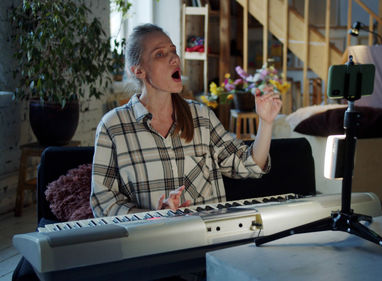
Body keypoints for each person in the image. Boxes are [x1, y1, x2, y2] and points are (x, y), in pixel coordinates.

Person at [90, 23, 282, 217]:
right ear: (138, 71)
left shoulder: (201, 116)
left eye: (173, 50)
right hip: (151, 242)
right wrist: (154, 215)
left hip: (208, 239)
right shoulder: (112, 126)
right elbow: (103, 205)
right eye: (160, 54)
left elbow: (250, 165)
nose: (174, 58)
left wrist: (266, 122)